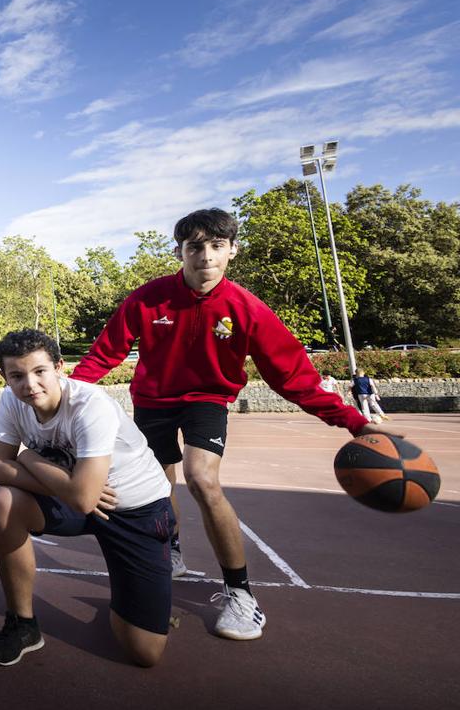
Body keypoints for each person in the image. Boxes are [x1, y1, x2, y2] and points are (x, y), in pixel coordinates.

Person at [71, 208, 386, 642]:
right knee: (158, 487)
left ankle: (240, 594)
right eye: (195, 246)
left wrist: (355, 423)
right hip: (152, 401)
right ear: (180, 251)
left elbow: (293, 377)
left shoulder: (247, 309)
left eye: (216, 246)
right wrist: (61, 396)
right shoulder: (147, 299)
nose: (205, 256)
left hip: (207, 400)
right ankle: (172, 550)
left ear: (232, 250)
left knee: (202, 478)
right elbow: (103, 355)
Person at [0, 329, 173, 667]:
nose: (30, 384)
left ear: (59, 367)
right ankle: (22, 624)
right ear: (5, 377)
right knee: (4, 502)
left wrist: (28, 457)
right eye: (17, 375)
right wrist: (63, 483)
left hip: (134, 508)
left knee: (144, 653)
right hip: (70, 499)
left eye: (40, 371)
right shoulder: (12, 400)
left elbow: (85, 498)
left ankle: (138, 599)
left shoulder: (90, 405)